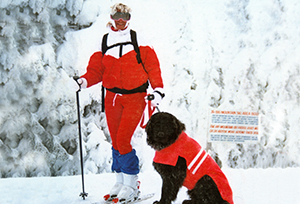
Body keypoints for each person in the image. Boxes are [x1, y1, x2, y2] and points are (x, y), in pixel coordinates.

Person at [74, 3, 164, 203]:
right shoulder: (104, 41)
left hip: (135, 97)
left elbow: (152, 66)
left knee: (123, 139)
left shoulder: (137, 38)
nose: (121, 20)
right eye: (117, 16)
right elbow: (96, 70)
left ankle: (132, 184)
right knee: (115, 140)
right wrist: (84, 81)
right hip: (112, 98)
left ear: (129, 18)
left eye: (125, 16)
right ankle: (121, 181)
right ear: (112, 17)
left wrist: (158, 90)